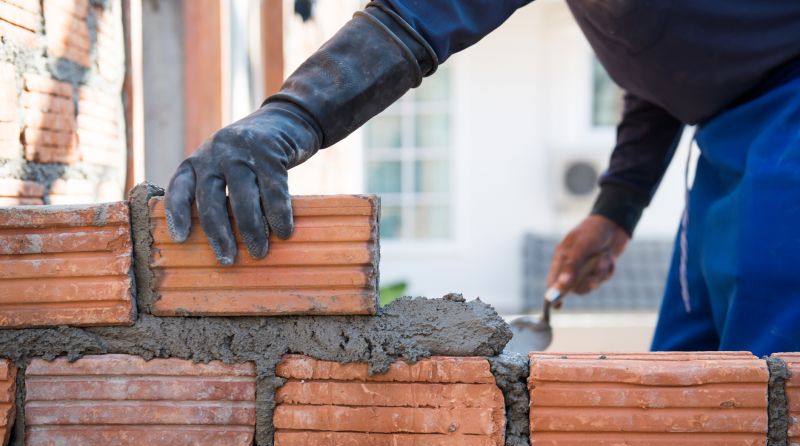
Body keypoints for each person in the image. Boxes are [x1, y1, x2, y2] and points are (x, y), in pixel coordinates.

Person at [165, 1, 800, 355]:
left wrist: (292, 115)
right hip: (721, 143)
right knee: (689, 372)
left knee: (770, 368)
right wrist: (617, 209)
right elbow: (664, 67)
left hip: (789, 120)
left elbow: (426, 12)